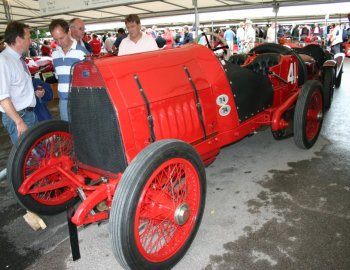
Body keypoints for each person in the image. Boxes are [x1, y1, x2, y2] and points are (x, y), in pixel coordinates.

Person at [0, 21, 38, 144]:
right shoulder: (4, 61)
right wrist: (19, 122)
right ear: (18, 39)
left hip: (28, 115)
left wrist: (34, 94)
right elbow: (2, 97)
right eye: (28, 37)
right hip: (19, 118)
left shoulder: (17, 58)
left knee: (36, 156)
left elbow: (18, 87)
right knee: (28, 159)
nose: (31, 41)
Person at [49, 19, 89, 121]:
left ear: (69, 32)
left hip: (81, 101)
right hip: (63, 102)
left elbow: (90, 80)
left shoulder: (83, 53)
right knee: (67, 132)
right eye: (56, 39)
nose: (59, 42)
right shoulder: (54, 55)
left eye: (61, 38)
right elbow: (59, 78)